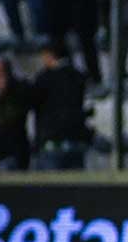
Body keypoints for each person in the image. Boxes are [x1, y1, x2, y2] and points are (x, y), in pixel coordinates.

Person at [30, 40, 90, 170]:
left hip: (52, 141)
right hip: (76, 139)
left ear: (49, 55)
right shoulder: (78, 76)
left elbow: (33, 102)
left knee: (50, 188)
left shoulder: (44, 78)